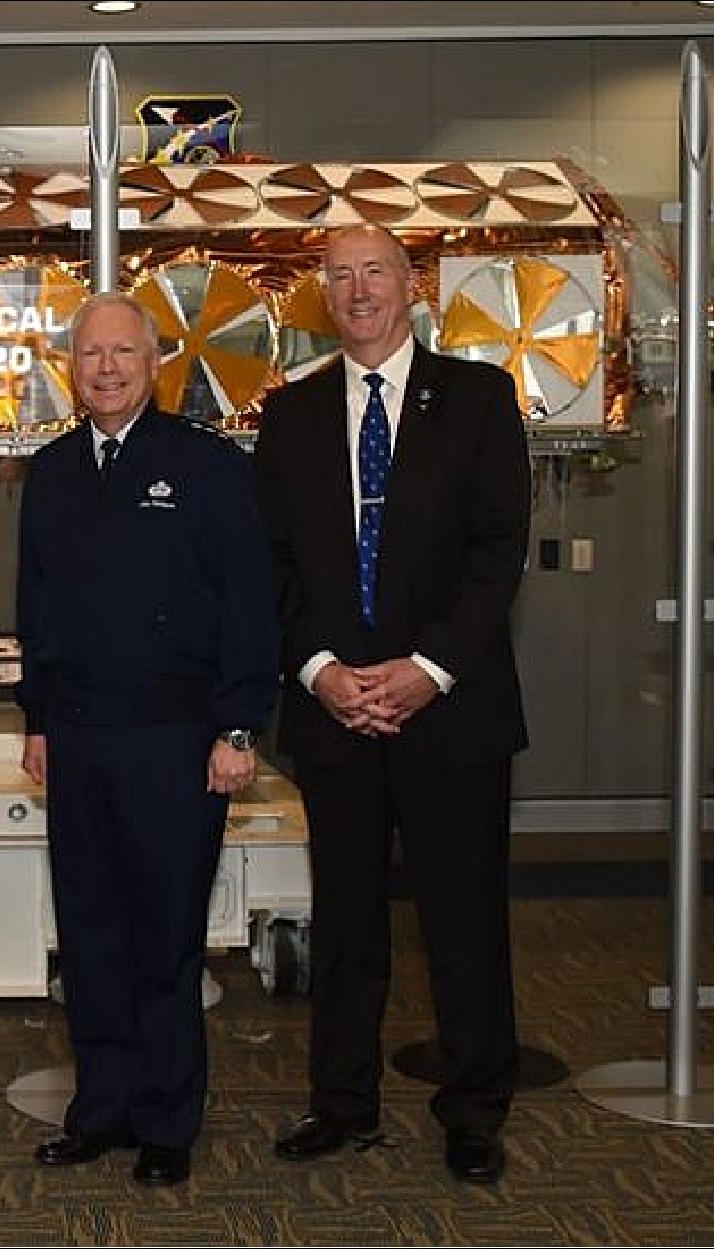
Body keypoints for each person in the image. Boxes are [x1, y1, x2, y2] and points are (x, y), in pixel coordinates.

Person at [252, 224, 531, 1185]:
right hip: (336, 715)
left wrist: (426, 670)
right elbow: (273, 568)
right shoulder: (286, 416)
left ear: (410, 286)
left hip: (450, 710)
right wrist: (324, 671)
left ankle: (474, 1110)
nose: (357, 289)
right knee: (345, 927)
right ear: (321, 294)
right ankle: (341, 1104)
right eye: (339, 275)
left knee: (463, 924)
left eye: (374, 271)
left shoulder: (480, 398)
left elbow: (499, 552)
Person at [14, 291, 280, 1187]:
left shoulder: (207, 467)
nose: (106, 368)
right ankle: (101, 1108)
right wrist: (37, 717)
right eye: (91, 354)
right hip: (78, 735)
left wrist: (238, 725)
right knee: (88, 935)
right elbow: (36, 606)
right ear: (72, 365)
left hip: (177, 738)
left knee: (165, 936)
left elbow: (249, 602)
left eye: (123, 353)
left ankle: (168, 1120)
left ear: (154, 361)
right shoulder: (50, 472)